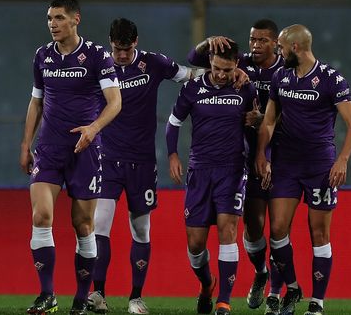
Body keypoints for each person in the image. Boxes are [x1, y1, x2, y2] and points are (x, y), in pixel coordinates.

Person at [87, 18, 199, 315]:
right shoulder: (99, 65)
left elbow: (189, 75)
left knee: (141, 229)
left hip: (142, 161)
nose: (121, 55)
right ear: (110, 42)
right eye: (116, 49)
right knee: (99, 226)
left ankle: (136, 297)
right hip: (106, 159)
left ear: (136, 42)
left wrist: (221, 70)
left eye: (126, 49)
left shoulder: (154, 63)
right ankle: (98, 293)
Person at [20, 0, 122, 315]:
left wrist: (93, 129)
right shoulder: (42, 57)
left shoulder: (96, 56)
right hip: (49, 149)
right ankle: (47, 294)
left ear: (76, 19)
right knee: (41, 217)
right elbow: (36, 102)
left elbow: (115, 102)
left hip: (86, 151)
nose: (53, 24)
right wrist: (25, 145)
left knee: (82, 225)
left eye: (59, 18)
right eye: (49, 18)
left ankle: (80, 297)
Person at [256, 24, 351, 315]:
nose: (277, 52)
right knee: (277, 229)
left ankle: (317, 302)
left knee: (319, 234)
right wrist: (263, 155)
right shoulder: (281, 77)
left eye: (280, 48)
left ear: (296, 48)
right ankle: (282, 291)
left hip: (320, 166)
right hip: (286, 163)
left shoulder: (331, 80)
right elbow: (269, 120)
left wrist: (342, 159)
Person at [188, 19, 286, 314]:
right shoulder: (239, 63)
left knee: (280, 229)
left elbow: (296, 110)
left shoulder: (287, 70)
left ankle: (275, 293)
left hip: (283, 156)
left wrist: (268, 122)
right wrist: (210, 42)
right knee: (254, 227)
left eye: (262, 41)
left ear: (276, 45)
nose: (255, 46)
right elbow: (194, 60)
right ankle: (260, 272)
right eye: (252, 40)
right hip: (249, 155)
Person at [166, 41, 258, 315]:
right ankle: (207, 285)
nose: (221, 74)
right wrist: (172, 155)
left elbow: (255, 128)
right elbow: (173, 123)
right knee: (195, 245)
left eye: (227, 70)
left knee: (228, 231)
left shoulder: (245, 88)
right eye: (216, 68)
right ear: (210, 64)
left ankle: (224, 302)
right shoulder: (192, 89)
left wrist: (258, 156)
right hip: (199, 171)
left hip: (231, 169)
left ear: (237, 67)